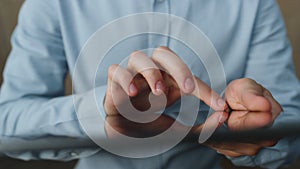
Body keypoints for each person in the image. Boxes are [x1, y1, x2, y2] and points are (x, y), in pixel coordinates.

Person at [0, 0, 300, 169]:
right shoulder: (51, 4)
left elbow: (292, 134)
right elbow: (7, 125)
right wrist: (101, 110)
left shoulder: (255, 5)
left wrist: (257, 128)